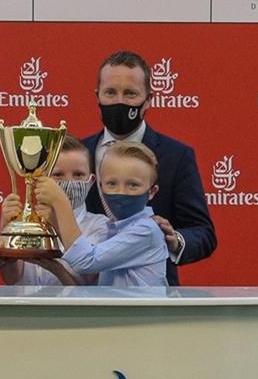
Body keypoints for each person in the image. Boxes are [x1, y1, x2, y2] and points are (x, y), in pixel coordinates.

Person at [80, 50, 214, 285]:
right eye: (110, 92)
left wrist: (174, 239)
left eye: (130, 94)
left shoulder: (177, 156)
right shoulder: (77, 154)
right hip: (81, 295)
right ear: (97, 96)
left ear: (148, 99)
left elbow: (203, 232)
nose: (119, 101)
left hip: (150, 301)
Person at [37, 140, 169, 288]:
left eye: (133, 185)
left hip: (139, 311)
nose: (121, 191)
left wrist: (60, 202)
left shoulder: (146, 230)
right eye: (112, 183)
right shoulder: (110, 228)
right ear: (101, 187)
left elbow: (85, 261)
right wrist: (56, 267)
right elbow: (88, 280)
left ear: (151, 192)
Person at [0, 135, 106, 286]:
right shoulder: (26, 222)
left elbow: (86, 285)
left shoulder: (101, 226)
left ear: (92, 180)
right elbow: (12, 278)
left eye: (78, 175)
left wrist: (55, 268)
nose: (69, 181)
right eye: (58, 175)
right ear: (41, 179)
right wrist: (6, 231)